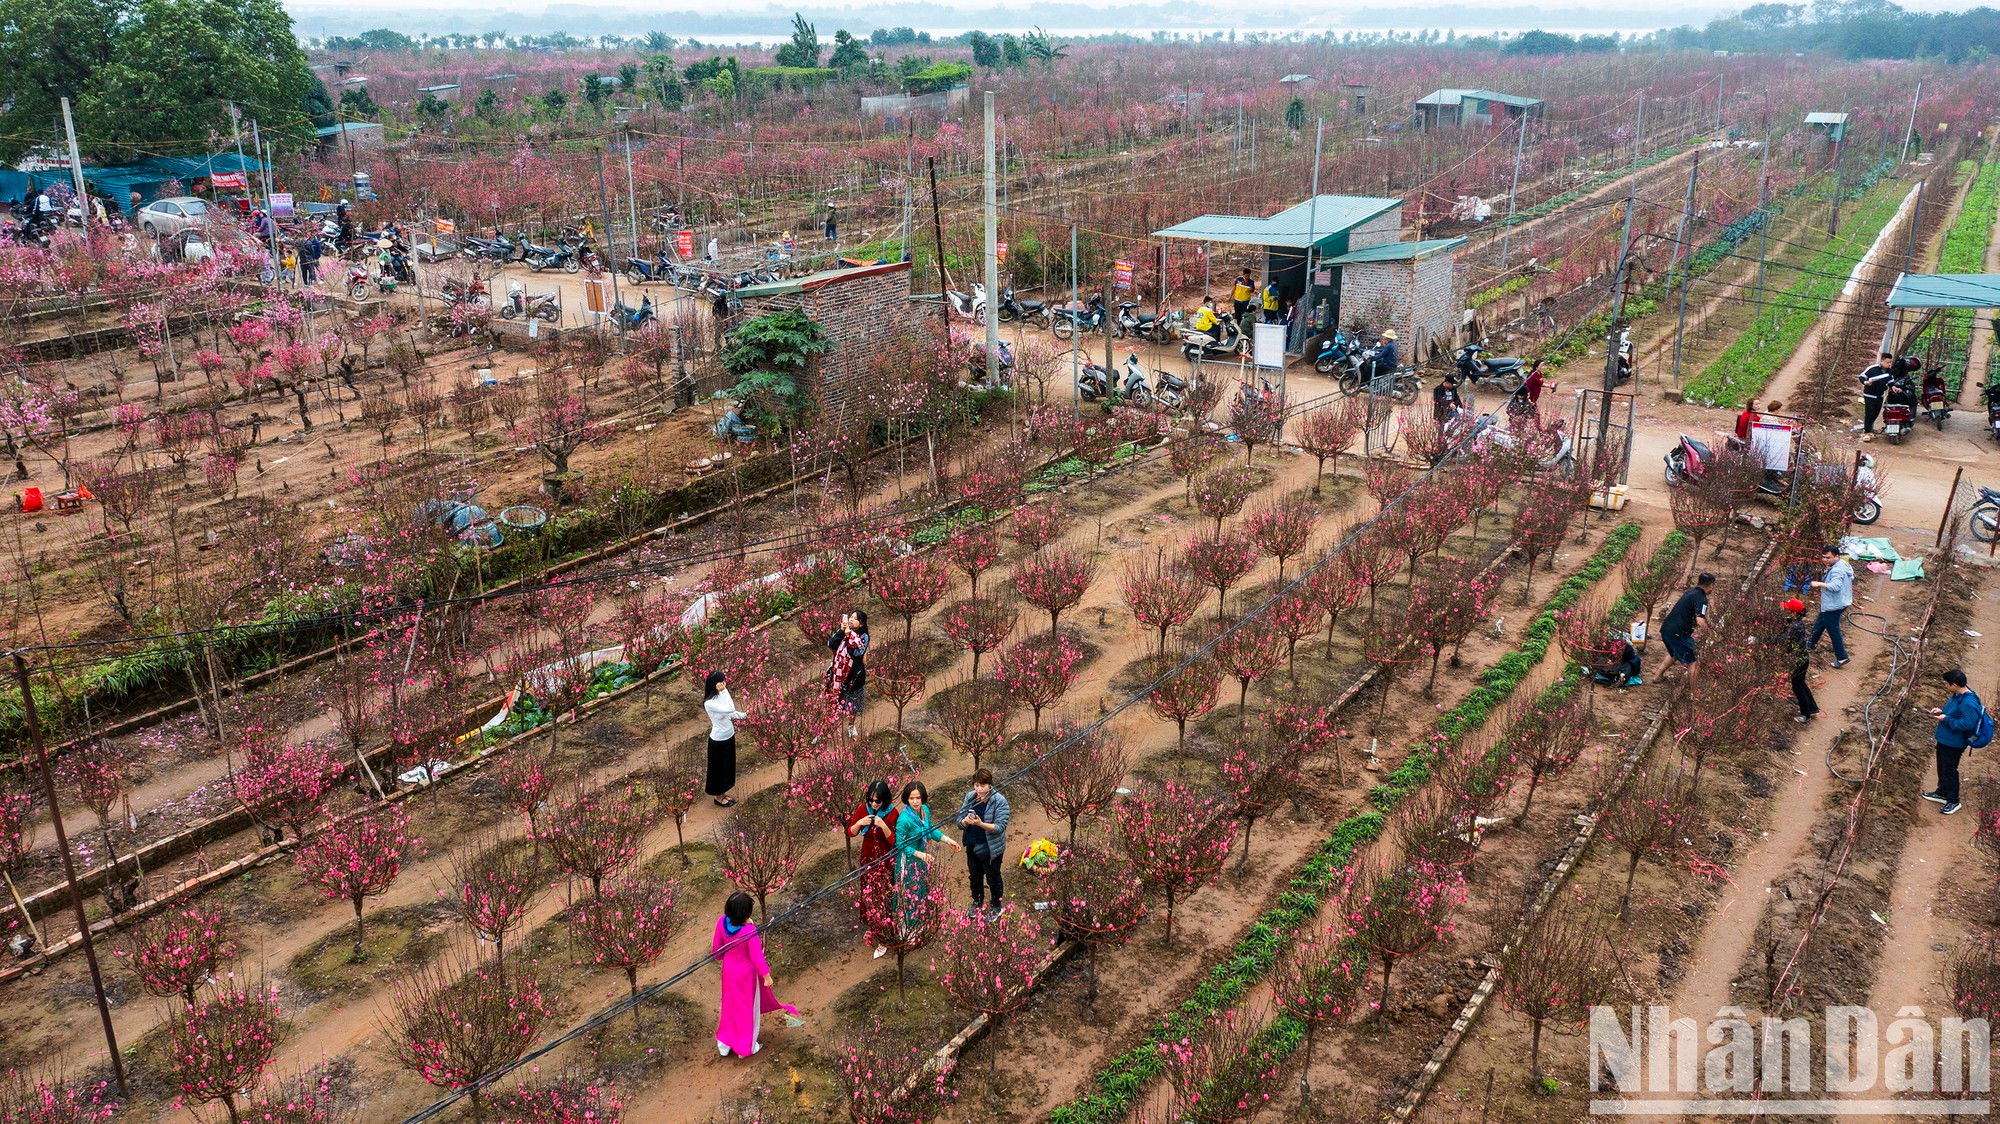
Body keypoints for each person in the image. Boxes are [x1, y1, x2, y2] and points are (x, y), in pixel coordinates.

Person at [710, 891, 795, 1057]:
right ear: (746, 914)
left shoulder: (722, 922)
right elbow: (757, 957)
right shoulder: (749, 932)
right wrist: (767, 976)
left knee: (730, 1006)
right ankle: (746, 1047)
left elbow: (717, 953)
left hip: (729, 973)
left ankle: (725, 1044)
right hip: (746, 976)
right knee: (748, 1009)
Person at [890, 781, 961, 925]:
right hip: (908, 859)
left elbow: (930, 829)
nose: (915, 802)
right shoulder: (904, 820)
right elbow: (900, 844)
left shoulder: (924, 810)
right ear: (906, 799)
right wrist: (919, 854)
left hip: (922, 857)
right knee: (909, 893)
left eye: (918, 798)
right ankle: (907, 928)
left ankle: (918, 922)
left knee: (920, 888)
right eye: (911, 798)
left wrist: (947, 840)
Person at [847, 780, 900, 956]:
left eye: (878, 801)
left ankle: (884, 935)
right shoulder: (864, 809)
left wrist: (883, 826)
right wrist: (860, 822)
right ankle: (873, 926)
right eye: (871, 800)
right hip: (867, 859)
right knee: (868, 894)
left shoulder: (892, 814)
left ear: (885, 799)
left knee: (883, 896)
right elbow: (851, 832)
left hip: (885, 861)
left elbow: (896, 841)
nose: (874, 804)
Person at [1925, 668, 1985, 815]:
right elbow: (1953, 711)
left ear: (1954, 685)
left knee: (1950, 770)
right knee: (1942, 767)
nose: (1945, 686)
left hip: (1954, 742)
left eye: (1946, 684)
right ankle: (1942, 792)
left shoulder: (1968, 702)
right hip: (1945, 739)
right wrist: (1942, 711)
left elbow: (1967, 724)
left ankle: (1953, 800)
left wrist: (1946, 719)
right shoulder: (1958, 695)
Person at [955, 769, 1012, 919]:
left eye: (983, 786)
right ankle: (977, 902)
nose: (979, 789)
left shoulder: (999, 801)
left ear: (990, 784)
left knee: (993, 877)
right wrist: (965, 821)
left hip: (991, 848)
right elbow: (959, 821)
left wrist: (981, 824)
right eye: (976, 785)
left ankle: (996, 906)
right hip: (972, 844)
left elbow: (1000, 827)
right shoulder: (970, 797)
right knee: (975, 876)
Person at [703, 670, 746, 807]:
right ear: (715, 684)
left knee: (727, 767)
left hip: (729, 737)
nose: (724, 684)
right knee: (718, 770)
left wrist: (746, 715)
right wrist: (724, 691)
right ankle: (718, 797)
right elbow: (730, 708)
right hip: (718, 741)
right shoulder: (709, 703)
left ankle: (723, 794)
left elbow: (732, 713)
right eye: (721, 682)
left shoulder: (720, 697)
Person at [1806, 544, 1853, 668]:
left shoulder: (1837, 570)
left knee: (1833, 630)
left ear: (1836, 556)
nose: (1825, 560)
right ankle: (1810, 644)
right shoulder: (1842, 564)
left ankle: (1842, 657)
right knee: (1820, 622)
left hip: (1834, 604)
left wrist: (1819, 584)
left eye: (1828, 558)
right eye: (1823, 557)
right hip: (1839, 601)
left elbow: (1835, 586)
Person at [824, 610, 869, 735]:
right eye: (851, 617)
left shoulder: (863, 636)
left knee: (853, 704)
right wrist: (841, 632)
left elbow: (857, 653)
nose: (851, 620)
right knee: (834, 703)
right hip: (838, 676)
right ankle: (828, 729)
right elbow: (830, 644)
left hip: (854, 676)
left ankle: (851, 725)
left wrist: (850, 637)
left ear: (861, 624)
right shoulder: (843, 631)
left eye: (855, 618)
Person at [1659, 572, 1714, 669]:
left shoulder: (1690, 592)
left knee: (1675, 653)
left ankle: (1657, 677)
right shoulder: (1701, 599)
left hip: (1667, 629)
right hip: (1677, 633)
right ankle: (1693, 685)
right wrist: (1711, 634)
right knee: (1694, 661)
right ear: (1710, 585)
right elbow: (1700, 620)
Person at [1782, 598, 1818, 723]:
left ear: (1794, 613)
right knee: (1801, 683)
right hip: (1802, 659)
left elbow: (1779, 640)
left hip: (1798, 661)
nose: (1784, 610)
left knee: (1797, 687)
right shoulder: (1796, 622)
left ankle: (1805, 715)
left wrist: (1758, 641)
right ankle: (1812, 708)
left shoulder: (1794, 627)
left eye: (1787, 609)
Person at [1857, 352, 1893, 434]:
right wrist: (1866, 382)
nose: (1889, 364)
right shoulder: (1873, 369)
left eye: (1890, 362)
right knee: (1869, 413)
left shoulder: (1889, 371)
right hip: (1870, 395)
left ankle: (1868, 428)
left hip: (1880, 395)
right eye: (1887, 362)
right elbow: (1862, 376)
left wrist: (1894, 387)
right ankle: (1867, 432)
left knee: (1876, 413)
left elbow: (1891, 381)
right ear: (1882, 360)